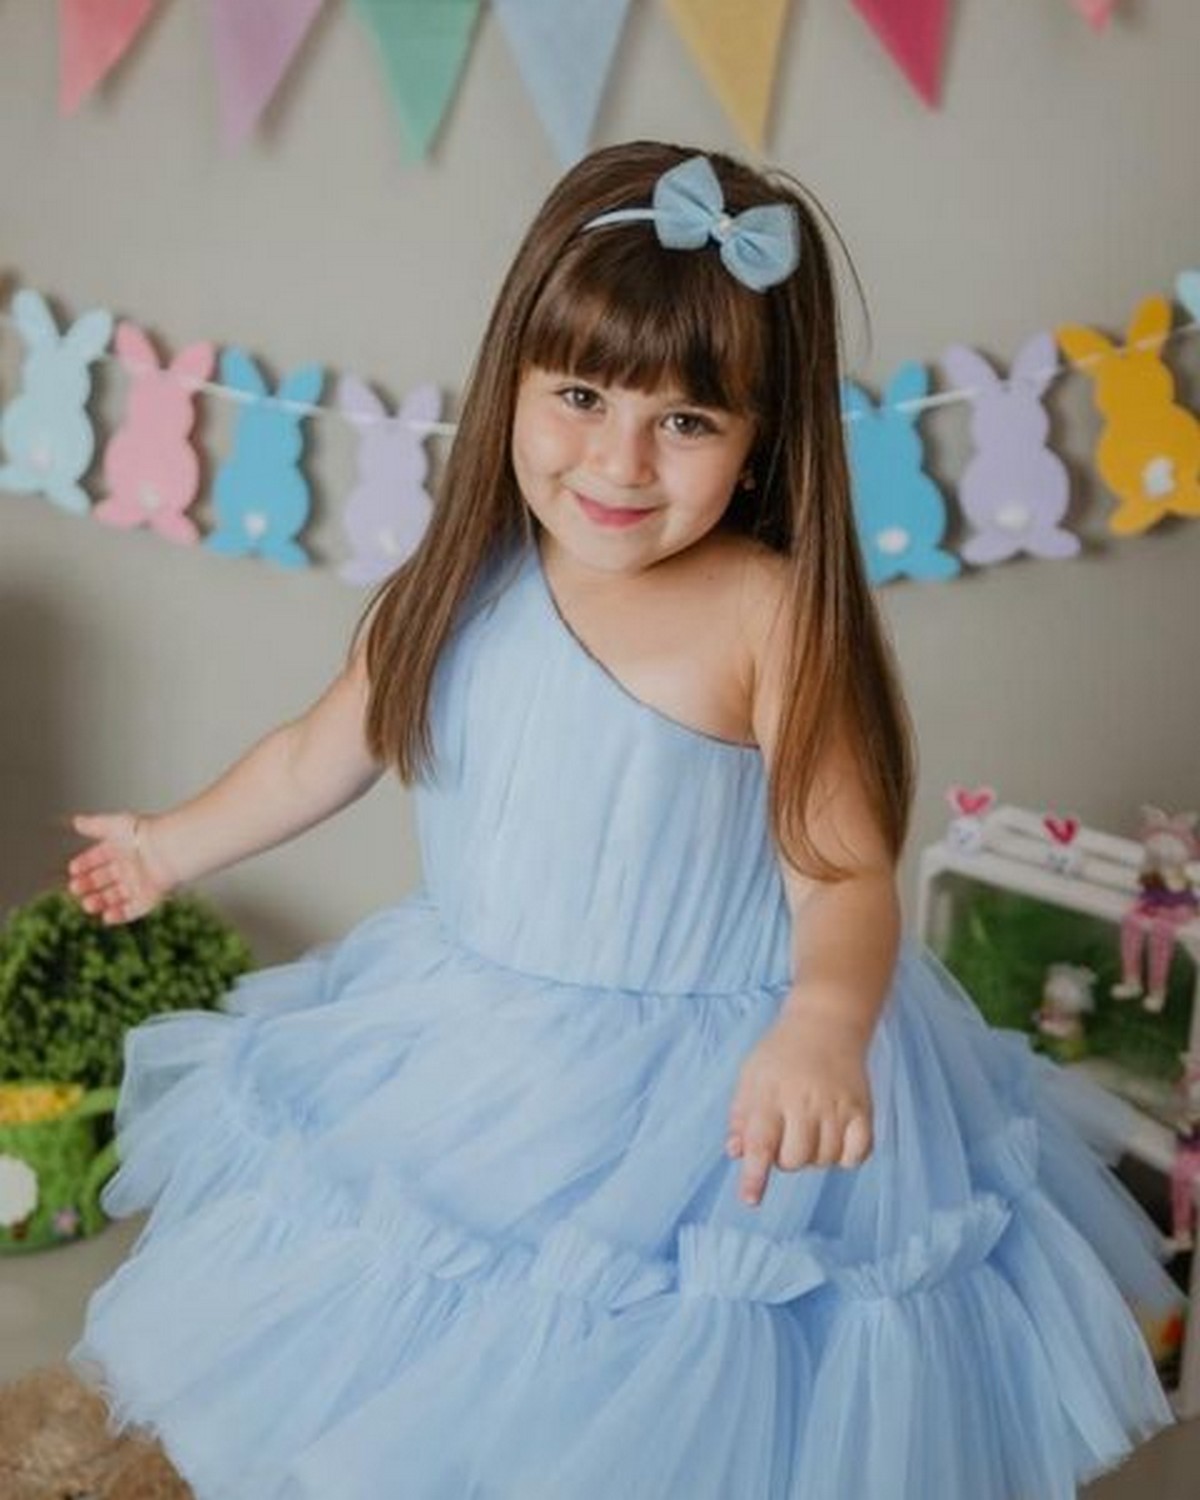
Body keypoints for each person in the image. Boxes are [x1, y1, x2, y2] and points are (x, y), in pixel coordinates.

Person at [64, 141, 1181, 1500]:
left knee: (670, 1375)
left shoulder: (768, 613)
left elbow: (844, 878)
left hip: (717, 1092)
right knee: (456, 1348)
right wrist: (170, 844)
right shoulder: (462, 577)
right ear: (515, 382)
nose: (621, 460)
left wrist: (824, 1030)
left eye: (688, 423)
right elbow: (317, 752)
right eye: (582, 394)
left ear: (763, 437)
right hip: (473, 1050)